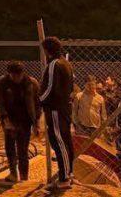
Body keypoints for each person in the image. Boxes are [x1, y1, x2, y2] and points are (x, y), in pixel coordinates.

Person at [0, 61, 40, 182]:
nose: (16, 78)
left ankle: (24, 177)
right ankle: (13, 174)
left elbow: (37, 104)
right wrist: (5, 119)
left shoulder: (31, 83)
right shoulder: (3, 83)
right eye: (13, 75)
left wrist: (36, 123)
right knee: (10, 148)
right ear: (9, 74)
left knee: (22, 150)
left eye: (19, 75)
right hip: (9, 119)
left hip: (25, 121)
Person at [39, 36, 75, 189]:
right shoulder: (66, 63)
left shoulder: (54, 64)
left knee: (58, 141)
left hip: (55, 109)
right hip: (64, 108)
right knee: (65, 140)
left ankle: (64, 178)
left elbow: (50, 88)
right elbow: (71, 87)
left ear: (47, 50)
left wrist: (39, 100)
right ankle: (68, 173)